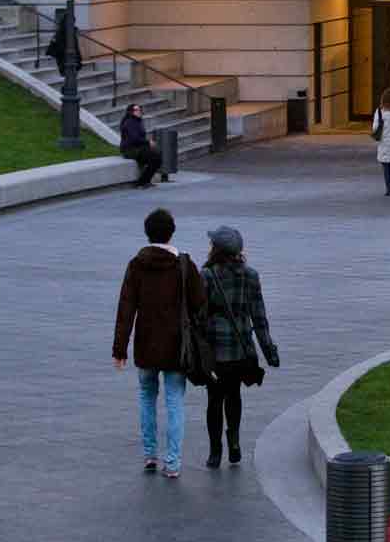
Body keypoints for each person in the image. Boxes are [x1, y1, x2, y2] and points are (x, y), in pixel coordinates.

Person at [112, 207, 206, 479]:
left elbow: (126, 308)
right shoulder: (184, 265)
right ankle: (173, 462)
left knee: (146, 396)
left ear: (147, 232)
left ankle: (150, 454)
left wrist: (120, 349)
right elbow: (201, 303)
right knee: (175, 400)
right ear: (171, 233)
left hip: (146, 344)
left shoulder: (136, 264)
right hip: (178, 347)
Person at [201, 225, 280, 469]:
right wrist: (270, 351)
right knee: (234, 395)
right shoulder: (251, 275)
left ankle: (215, 452)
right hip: (240, 349)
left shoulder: (206, 276)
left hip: (215, 350)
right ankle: (234, 442)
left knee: (214, 399)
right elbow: (259, 317)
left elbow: (198, 315)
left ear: (216, 249)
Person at [119, 101, 162, 188]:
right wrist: (148, 142)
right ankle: (142, 182)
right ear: (131, 112)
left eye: (140, 109)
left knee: (157, 157)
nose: (139, 111)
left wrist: (148, 144)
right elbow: (134, 139)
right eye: (136, 110)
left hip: (138, 148)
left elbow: (139, 138)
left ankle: (145, 181)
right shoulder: (129, 122)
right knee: (155, 157)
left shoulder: (137, 121)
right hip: (129, 150)